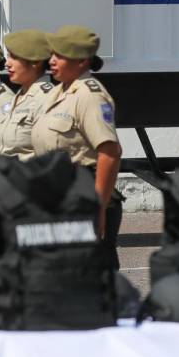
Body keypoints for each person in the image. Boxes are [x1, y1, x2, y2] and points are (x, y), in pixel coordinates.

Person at [32, 25, 122, 248]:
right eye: (52, 54)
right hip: (58, 197)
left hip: (83, 198)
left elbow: (110, 152)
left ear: (81, 61)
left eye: (60, 55)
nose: (51, 60)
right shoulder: (58, 92)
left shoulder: (90, 95)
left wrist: (98, 207)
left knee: (87, 273)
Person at [0, 29, 53, 160]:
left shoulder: (45, 98)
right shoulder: (20, 95)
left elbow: (47, 157)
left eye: (14, 57)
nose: (7, 63)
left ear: (36, 62)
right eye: (8, 56)